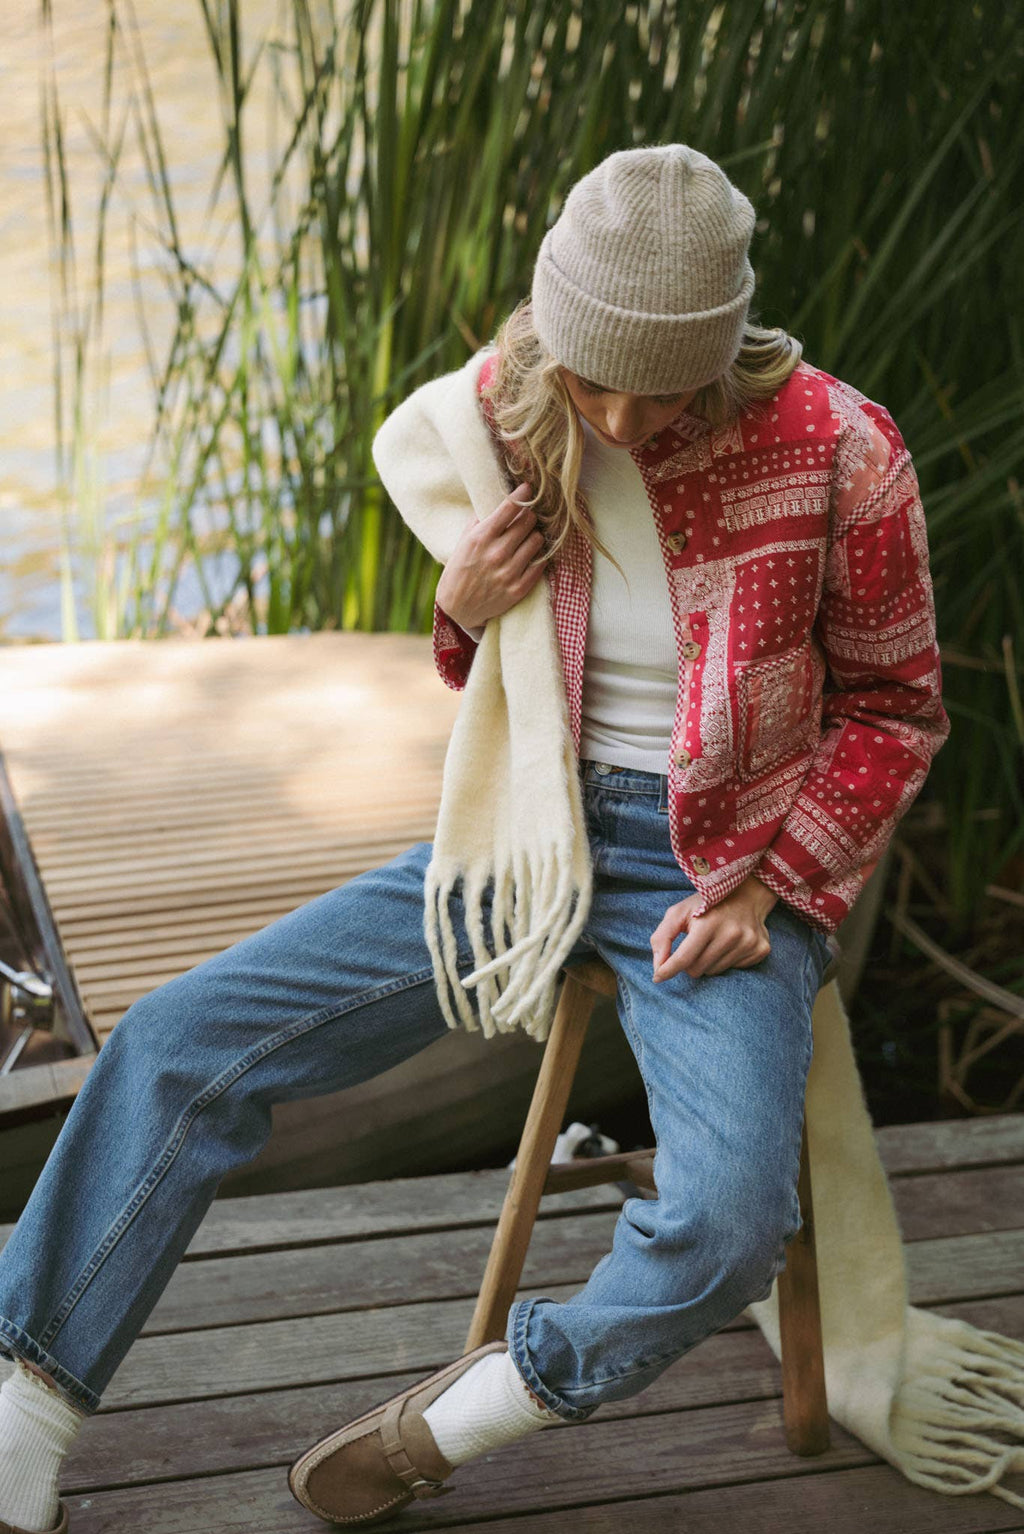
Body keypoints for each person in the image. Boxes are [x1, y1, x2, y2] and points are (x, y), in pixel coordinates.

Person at [0, 144, 949, 1533]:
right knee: (177, 1041)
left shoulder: (842, 452)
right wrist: (457, 598)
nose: (620, 416)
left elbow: (894, 706)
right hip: (520, 846)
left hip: (719, 877)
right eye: (592, 373)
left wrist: (782, 887)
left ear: (724, 345)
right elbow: (496, 663)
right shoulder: (503, 413)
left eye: (661, 383)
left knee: (731, 1219)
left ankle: (468, 1410)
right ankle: (25, 1403)